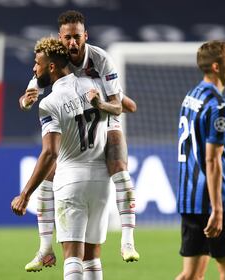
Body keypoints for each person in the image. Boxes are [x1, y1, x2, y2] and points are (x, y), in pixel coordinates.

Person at [19, 10, 139, 271]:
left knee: (118, 163)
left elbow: (118, 108)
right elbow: (29, 93)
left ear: (86, 36)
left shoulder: (100, 58)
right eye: (67, 38)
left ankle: (128, 240)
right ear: (60, 38)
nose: (72, 43)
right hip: (82, 113)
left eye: (77, 37)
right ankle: (44, 247)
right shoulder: (53, 59)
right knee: (48, 175)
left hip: (105, 108)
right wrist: (25, 102)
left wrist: (104, 102)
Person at [12, 37, 110, 280]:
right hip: (101, 179)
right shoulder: (92, 85)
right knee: (92, 256)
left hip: (72, 180)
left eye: (37, 64)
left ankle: (46, 248)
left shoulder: (50, 103)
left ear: (51, 67)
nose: (34, 69)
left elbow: (50, 153)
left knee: (73, 256)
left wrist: (25, 194)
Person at [176, 41, 225, 280]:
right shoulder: (219, 106)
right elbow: (213, 161)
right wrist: (217, 210)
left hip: (189, 199)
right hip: (217, 201)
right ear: (216, 66)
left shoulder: (191, 97)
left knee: (190, 275)